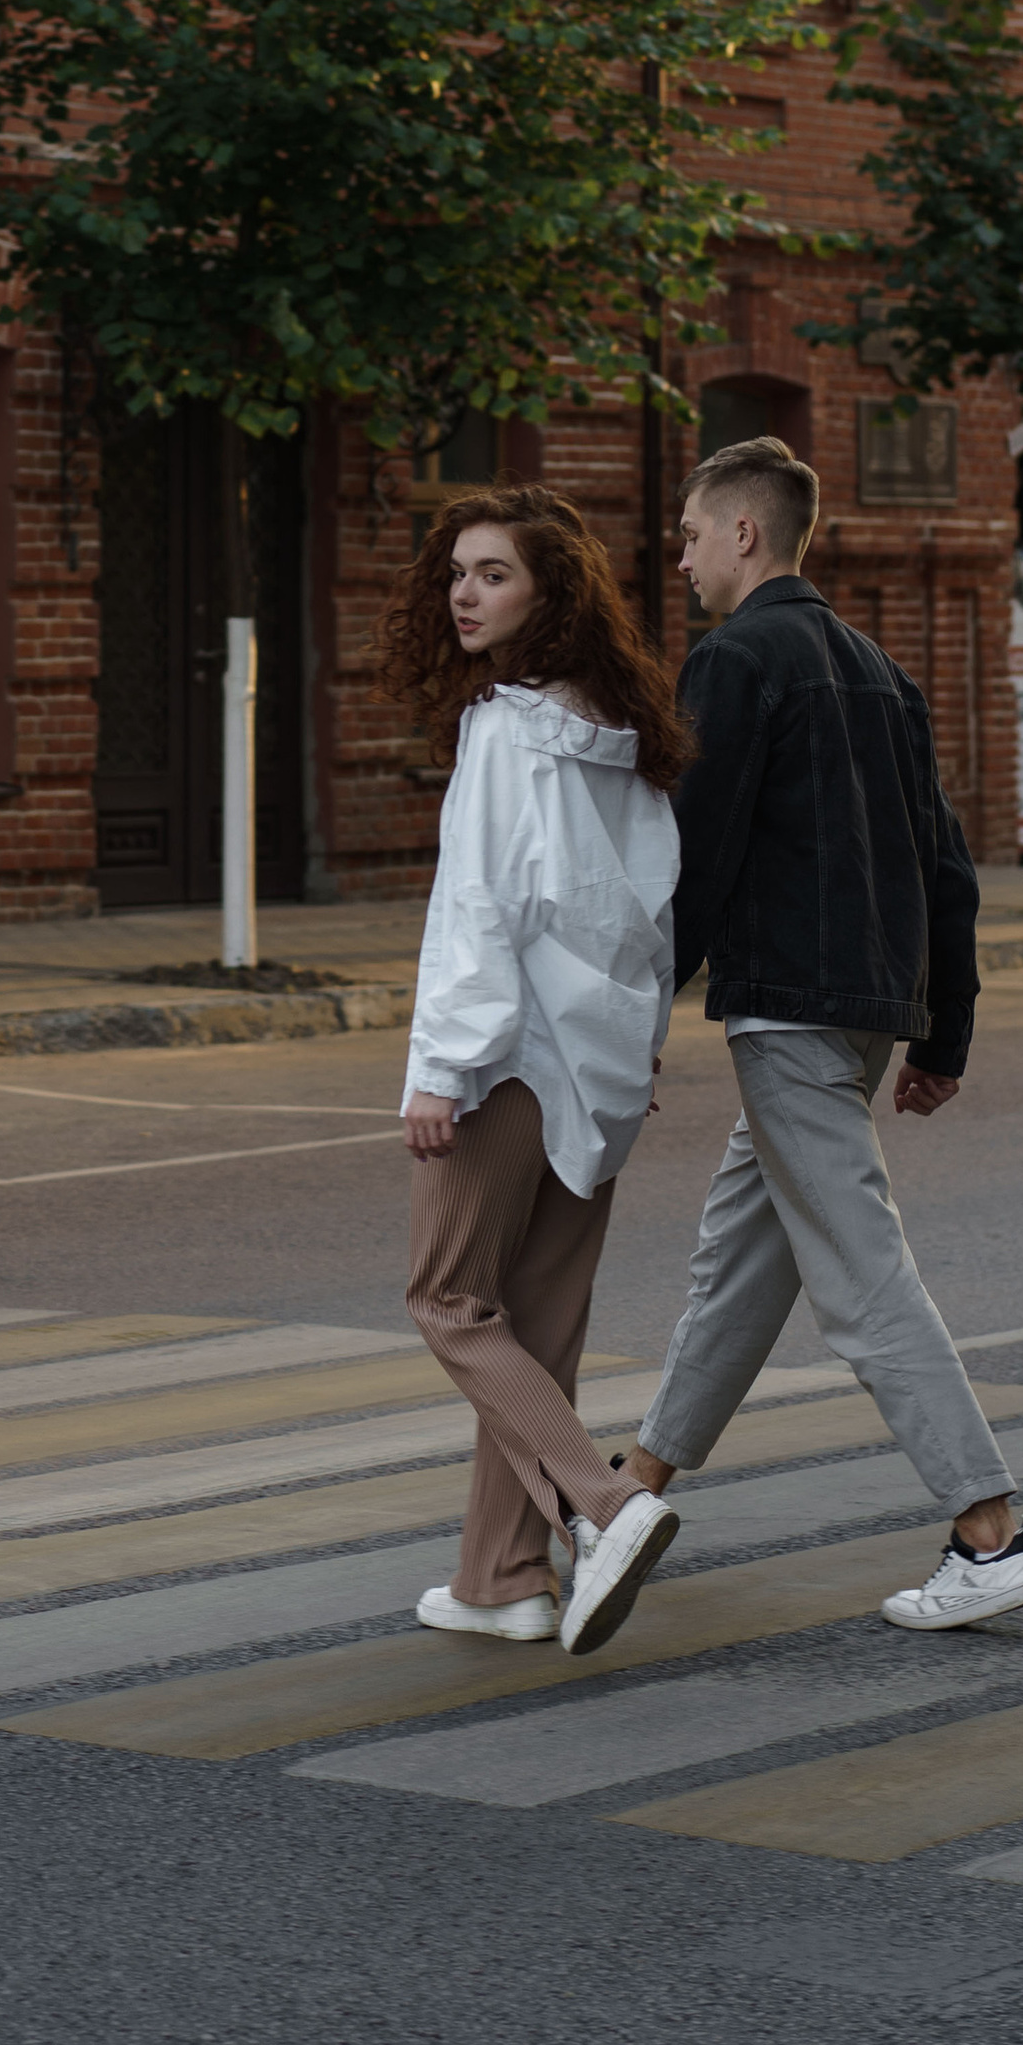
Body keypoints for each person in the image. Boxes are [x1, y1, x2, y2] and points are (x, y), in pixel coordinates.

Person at [616, 435, 1023, 1630]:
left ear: (745, 533)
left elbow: (692, 856)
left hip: (789, 1009)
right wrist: (942, 1033)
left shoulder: (734, 660)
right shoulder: (877, 670)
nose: (686, 556)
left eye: (695, 534)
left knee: (860, 1276)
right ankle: (633, 1492)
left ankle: (987, 1533)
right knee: (741, 1261)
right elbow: (944, 866)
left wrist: (631, 1014)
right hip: (862, 1012)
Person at [386, 483, 687, 1662]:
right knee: (538, 1329)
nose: (464, 592)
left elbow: (479, 909)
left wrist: (440, 1070)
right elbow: (652, 909)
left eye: (493, 573)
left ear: (549, 592)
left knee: (449, 1304)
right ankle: (501, 1578)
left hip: (506, 1060)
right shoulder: (628, 733)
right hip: (600, 1061)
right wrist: (637, 1043)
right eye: (457, 571)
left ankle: (604, 1508)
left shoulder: (508, 727)